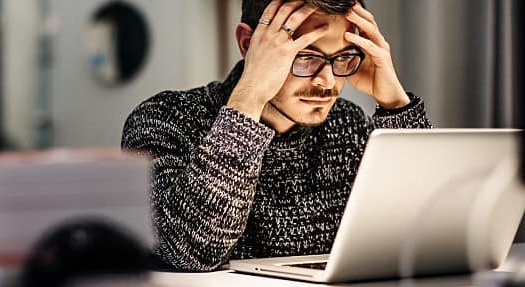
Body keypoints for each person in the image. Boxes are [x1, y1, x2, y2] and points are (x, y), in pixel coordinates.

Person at [121, 0, 433, 272]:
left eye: (342, 57)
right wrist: (249, 99)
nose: (326, 81)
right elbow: (190, 253)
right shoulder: (163, 119)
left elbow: (428, 232)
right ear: (248, 44)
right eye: (305, 56)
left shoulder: (348, 125)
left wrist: (395, 105)